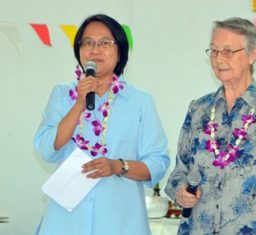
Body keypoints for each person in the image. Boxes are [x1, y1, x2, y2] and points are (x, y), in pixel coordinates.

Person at [165, 17, 256, 234]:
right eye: (214, 51)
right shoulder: (198, 110)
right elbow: (180, 172)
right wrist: (179, 191)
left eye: (228, 51)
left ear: (252, 55)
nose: (218, 59)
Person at [34, 13, 170, 235]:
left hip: (120, 221)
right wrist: (78, 104)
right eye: (87, 42)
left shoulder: (139, 101)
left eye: (105, 43)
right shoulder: (62, 94)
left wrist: (118, 166)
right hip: (67, 222)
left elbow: (158, 163)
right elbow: (47, 150)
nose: (95, 49)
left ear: (120, 52)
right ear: (79, 50)